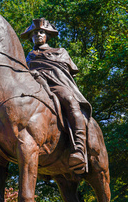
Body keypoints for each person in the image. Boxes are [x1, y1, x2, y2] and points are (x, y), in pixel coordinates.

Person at [21, 18, 92, 174]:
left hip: (56, 86)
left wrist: (44, 74)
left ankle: (79, 148)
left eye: (41, 32)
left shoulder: (60, 52)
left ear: (47, 35)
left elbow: (64, 72)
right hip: (35, 89)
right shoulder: (28, 57)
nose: (38, 35)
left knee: (69, 100)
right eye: (34, 33)